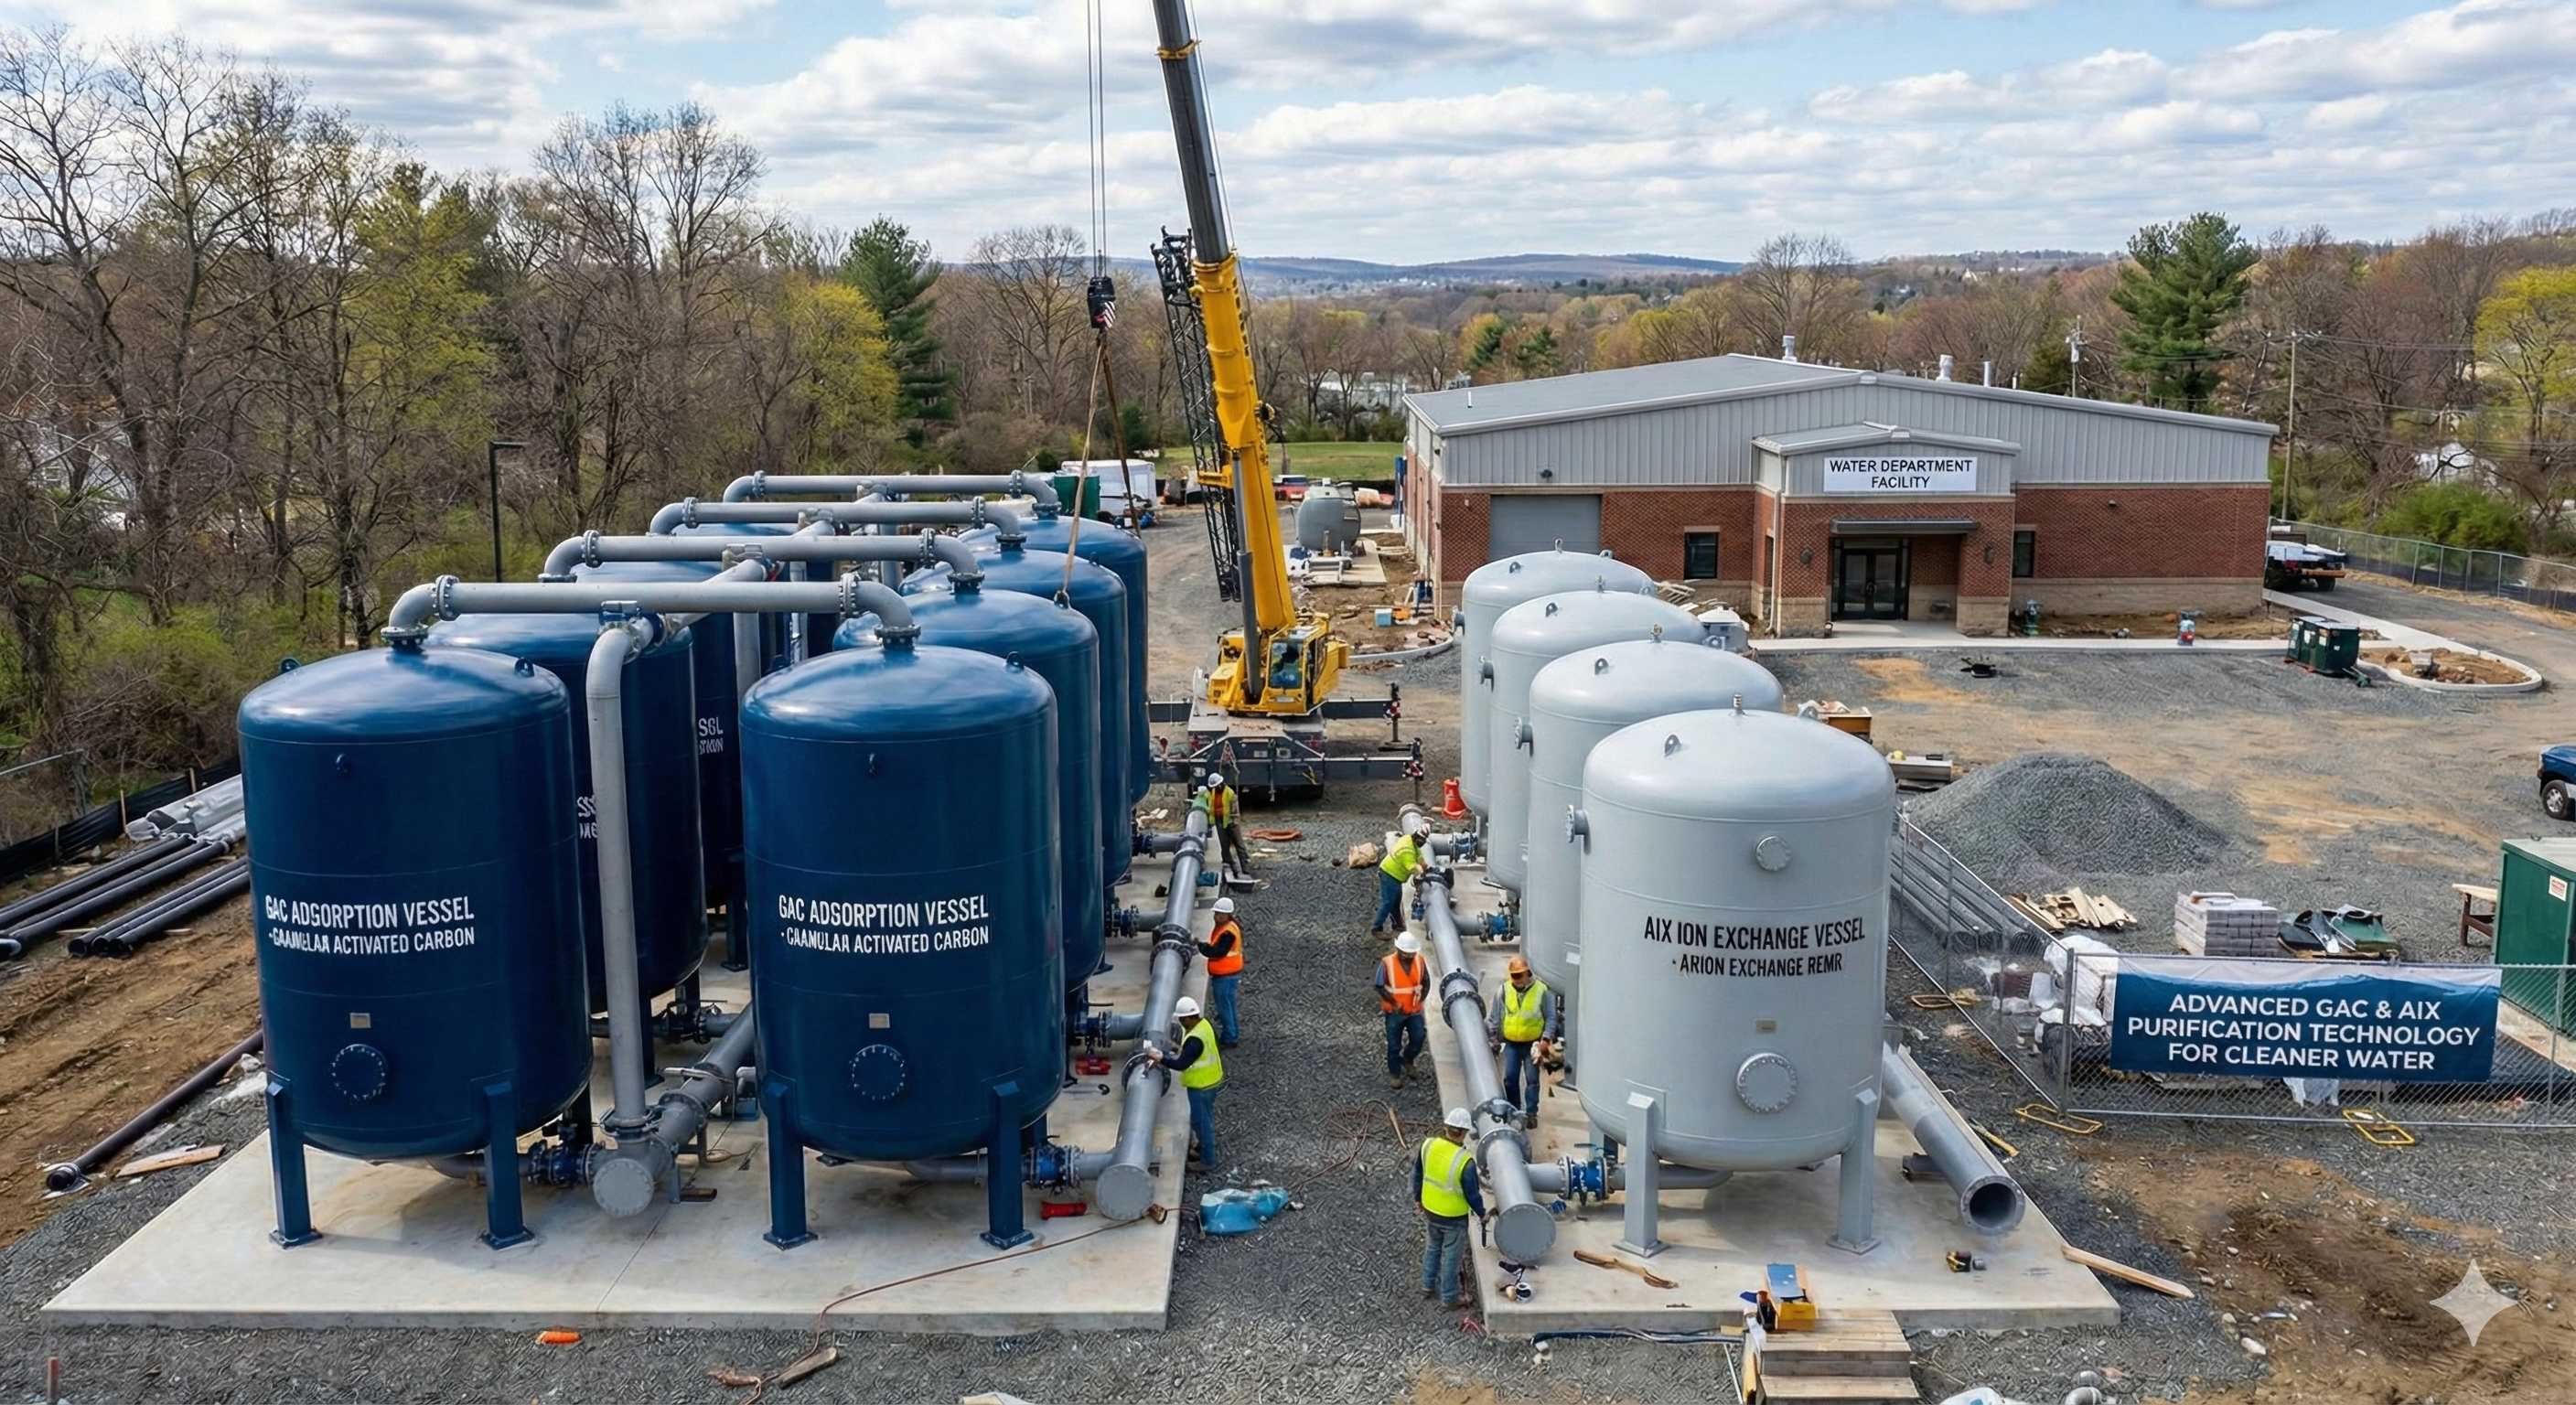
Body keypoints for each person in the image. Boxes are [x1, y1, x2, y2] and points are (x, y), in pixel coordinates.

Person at [1415, 1107, 1487, 1309]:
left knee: (1433, 1247)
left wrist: (1417, 1198)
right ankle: (1450, 1298)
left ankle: (1427, 1286)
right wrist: (1482, 1214)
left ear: (1446, 1127)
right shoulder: (1465, 1162)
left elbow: (1418, 1174)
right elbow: (1473, 1195)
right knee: (1451, 1258)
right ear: (1463, 1133)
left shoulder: (1428, 1145)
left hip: (1431, 1210)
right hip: (1453, 1218)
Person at [1148, 994, 1224, 1170]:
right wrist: (1178, 1048)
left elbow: (1181, 1064)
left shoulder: (1195, 1039)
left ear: (1190, 1017)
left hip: (1201, 1086)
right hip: (1211, 1081)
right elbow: (1196, 1051)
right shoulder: (1204, 1025)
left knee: (1200, 1122)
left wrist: (1161, 1058)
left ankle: (1207, 1161)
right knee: (1205, 1118)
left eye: (1183, 1019)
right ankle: (1204, 1148)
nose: (1181, 1023)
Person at [1485, 955, 1562, 1123]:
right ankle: (1515, 1111)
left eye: (1520, 975)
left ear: (1528, 973)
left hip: (1532, 1045)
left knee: (1532, 1080)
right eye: (1514, 976)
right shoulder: (1504, 990)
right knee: (1510, 1079)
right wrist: (1493, 1039)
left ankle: (1531, 1113)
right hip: (1511, 1044)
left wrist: (1545, 1040)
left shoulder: (1542, 991)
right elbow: (1494, 1018)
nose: (1517, 979)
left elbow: (1551, 1017)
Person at [1378, 933, 1432, 1089]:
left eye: (1411, 953)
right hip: (1395, 1014)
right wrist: (1394, 1003)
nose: (1409, 956)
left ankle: (1407, 1059)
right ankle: (1395, 1073)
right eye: (1406, 953)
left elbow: (1426, 982)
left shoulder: (1420, 962)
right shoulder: (1387, 964)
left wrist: (1420, 999)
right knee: (1394, 1045)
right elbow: (1379, 986)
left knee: (1419, 1038)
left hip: (1413, 1011)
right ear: (1398, 950)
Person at [1199, 896, 1245, 1047]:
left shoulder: (1228, 932)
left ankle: (1230, 1038)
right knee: (1228, 1006)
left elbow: (1217, 952)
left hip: (1226, 976)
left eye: (1220, 914)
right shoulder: (1227, 927)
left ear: (1227, 915)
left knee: (1225, 1008)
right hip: (1227, 975)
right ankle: (1232, 1034)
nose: (1216, 916)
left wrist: (1200, 946)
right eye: (1216, 913)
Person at [1373, 817, 1426, 936]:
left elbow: (1419, 855)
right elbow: (1411, 867)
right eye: (1422, 840)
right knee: (1388, 902)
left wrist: (1425, 865)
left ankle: (1397, 924)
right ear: (1417, 837)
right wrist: (1422, 871)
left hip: (1393, 875)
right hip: (1389, 875)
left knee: (1396, 901)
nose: (1422, 842)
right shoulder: (1407, 849)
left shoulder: (1409, 840)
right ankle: (1377, 928)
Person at [1205, 770, 1247, 880]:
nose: (1215, 788)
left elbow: (1235, 811)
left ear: (1221, 783)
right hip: (1220, 821)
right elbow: (1209, 803)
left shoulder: (1230, 793)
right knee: (1224, 845)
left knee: (1239, 844)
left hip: (1232, 822)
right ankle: (1229, 864)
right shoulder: (1213, 793)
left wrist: (1234, 822)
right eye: (1213, 787)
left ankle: (1245, 866)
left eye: (1216, 786)